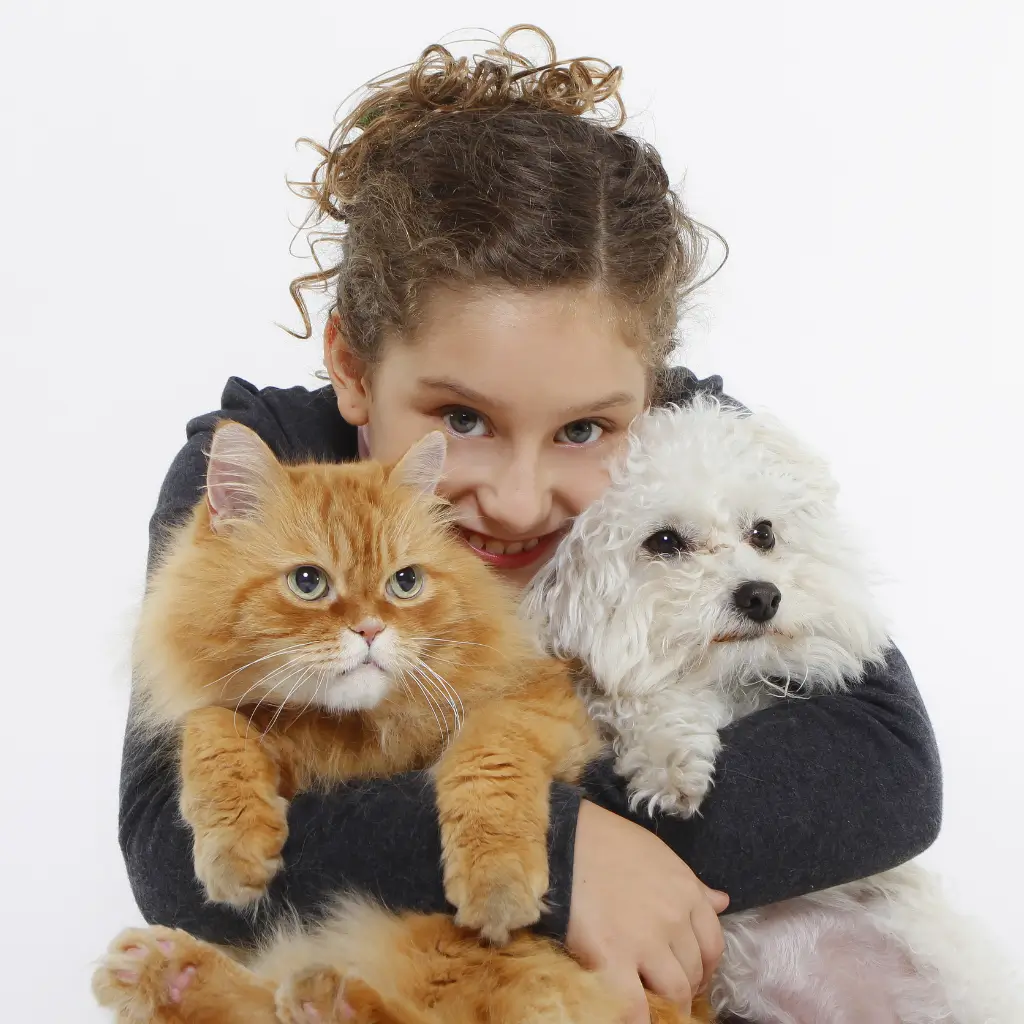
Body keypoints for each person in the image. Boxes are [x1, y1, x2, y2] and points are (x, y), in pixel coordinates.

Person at [118, 26, 941, 1024]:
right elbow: (178, 853)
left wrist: (539, 836)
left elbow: (883, 769)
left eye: (585, 428)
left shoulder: (696, 460)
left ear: (657, 393)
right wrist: (565, 848)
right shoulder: (266, 467)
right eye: (461, 419)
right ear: (349, 366)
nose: (514, 498)